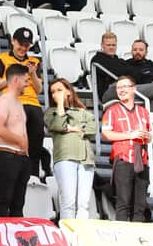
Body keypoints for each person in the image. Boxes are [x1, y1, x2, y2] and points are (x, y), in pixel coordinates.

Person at [0, 27, 44, 177]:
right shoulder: (2, 58)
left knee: (36, 139)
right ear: (13, 41)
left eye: (26, 45)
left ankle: (33, 175)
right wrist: (14, 75)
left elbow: (39, 89)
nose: (23, 48)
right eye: (20, 44)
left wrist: (32, 73)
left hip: (33, 104)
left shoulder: (34, 61)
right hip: (13, 102)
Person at [44, 78, 96, 219]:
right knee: (68, 202)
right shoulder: (51, 112)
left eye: (59, 90)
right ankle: (67, 237)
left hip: (86, 160)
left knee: (84, 204)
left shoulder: (83, 111)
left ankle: (80, 237)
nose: (56, 94)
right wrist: (61, 105)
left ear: (68, 91)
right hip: (65, 158)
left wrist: (70, 128)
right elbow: (58, 125)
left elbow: (92, 129)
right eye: (53, 92)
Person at [101, 76, 151, 222]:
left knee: (140, 205)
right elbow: (105, 134)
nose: (121, 90)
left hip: (142, 160)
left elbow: (150, 134)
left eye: (125, 87)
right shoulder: (112, 110)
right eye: (118, 88)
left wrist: (147, 137)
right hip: (123, 159)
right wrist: (129, 135)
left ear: (134, 88)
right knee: (123, 203)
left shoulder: (143, 111)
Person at [91, 32, 153, 113]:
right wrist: (127, 72)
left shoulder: (118, 61)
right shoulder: (97, 59)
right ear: (102, 45)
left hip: (125, 88)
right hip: (109, 91)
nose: (111, 47)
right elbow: (119, 72)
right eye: (108, 45)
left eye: (113, 45)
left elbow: (135, 74)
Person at [0, 63, 32, 217]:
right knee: (5, 199)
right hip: (7, 154)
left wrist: (25, 151)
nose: (27, 85)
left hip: (21, 157)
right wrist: (19, 141)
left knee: (18, 203)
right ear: (16, 80)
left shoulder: (18, 102)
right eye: (26, 80)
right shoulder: (4, 101)